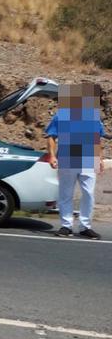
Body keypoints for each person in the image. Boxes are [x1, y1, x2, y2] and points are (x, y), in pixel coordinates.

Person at [45, 82, 104, 239]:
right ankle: (66, 226)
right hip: (67, 159)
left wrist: (100, 158)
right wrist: (51, 155)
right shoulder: (61, 116)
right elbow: (51, 136)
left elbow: (97, 138)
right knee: (66, 194)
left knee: (89, 193)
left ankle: (85, 226)